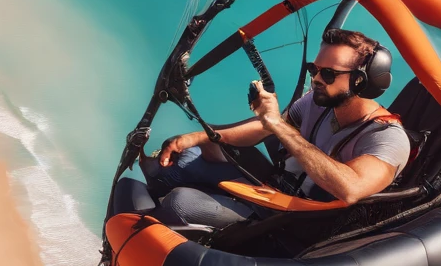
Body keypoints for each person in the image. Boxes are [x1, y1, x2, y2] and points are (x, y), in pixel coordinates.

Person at [137, 28, 411, 231]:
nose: (316, 79)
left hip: (299, 221)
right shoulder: (320, 102)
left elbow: (350, 188)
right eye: (313, 69)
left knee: (180, 204)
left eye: (328, 74)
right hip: (275, 191)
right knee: (183, 159)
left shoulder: (387, 138)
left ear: (362, 82)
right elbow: (264, 129)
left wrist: (277, 124)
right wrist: (198, 137)